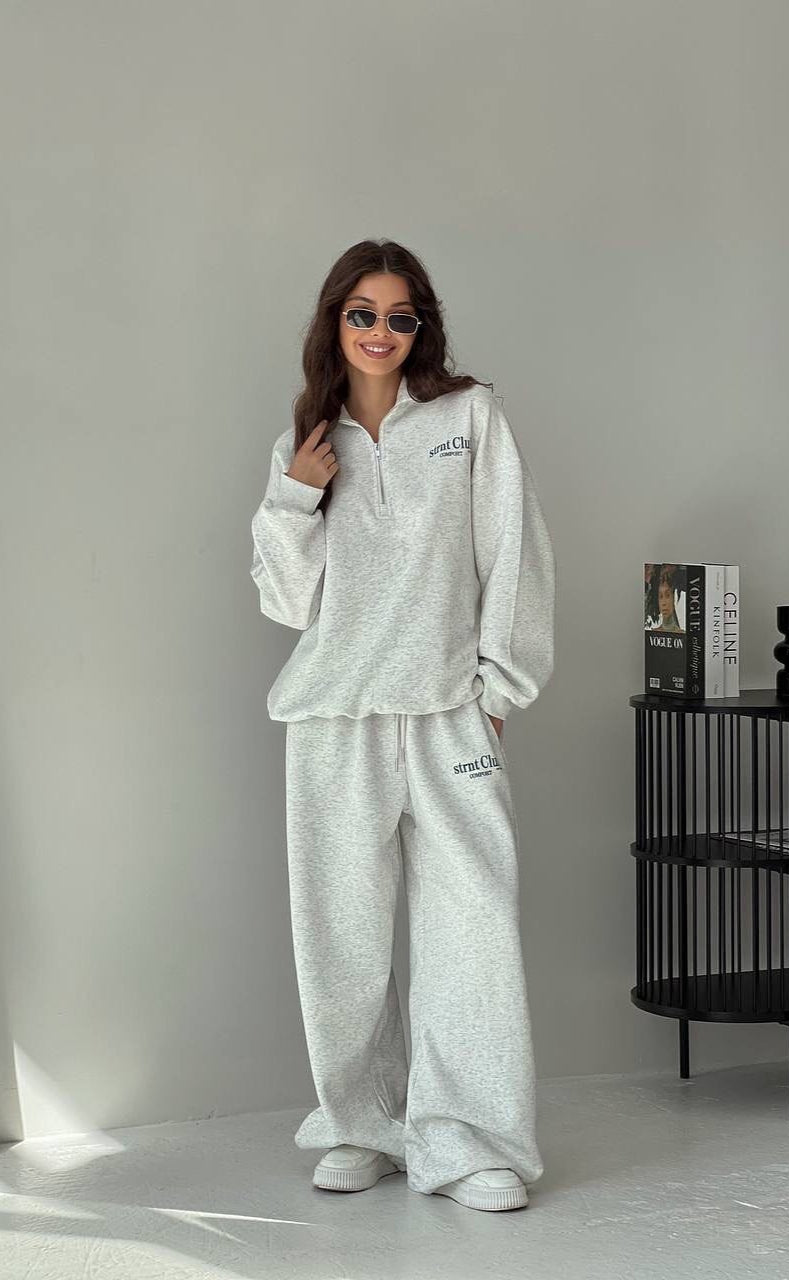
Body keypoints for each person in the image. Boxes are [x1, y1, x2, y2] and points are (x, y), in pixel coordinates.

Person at [250, 239, 556, 1213]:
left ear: (421, 327)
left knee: (474, 934)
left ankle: (471, 1140)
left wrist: (498, 691)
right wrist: (297, 495)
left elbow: (515, 554)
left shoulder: (470, 417)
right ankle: (363, 1123)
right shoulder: (307, 440)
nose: (380, 331)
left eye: (399, 316)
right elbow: (287, 603)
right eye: (362, 314)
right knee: (340, 942)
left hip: (448, 714)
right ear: (334, 322)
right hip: (333, 717)